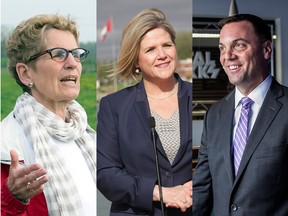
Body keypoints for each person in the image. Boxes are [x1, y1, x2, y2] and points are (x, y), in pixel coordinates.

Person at [97, 8, 192, 216]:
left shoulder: (197, 99)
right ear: (136, 60)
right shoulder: (113, 106)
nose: (162, 55)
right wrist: (159, 192)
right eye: (150, 50)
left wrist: (199, 184)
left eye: (167, 45)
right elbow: (106, 175)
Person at [192, 14, 288, 215]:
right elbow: (202, 188)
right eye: (222, 48)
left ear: (266, 50)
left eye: (239, 46)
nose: (227, 56)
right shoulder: (214, 115)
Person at [1, 14, 96, 216]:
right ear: (26, 73)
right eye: (59, 54)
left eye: (76, 54)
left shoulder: (87, 135)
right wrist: (13, 199)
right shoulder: (6, 147)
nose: (72, 63)